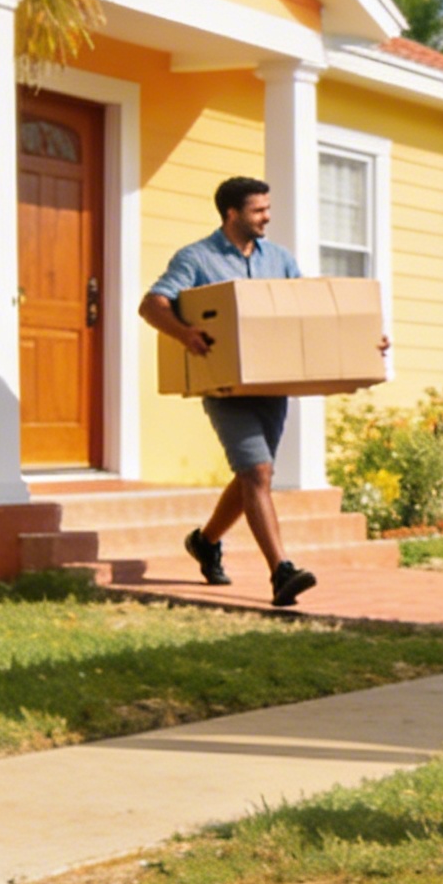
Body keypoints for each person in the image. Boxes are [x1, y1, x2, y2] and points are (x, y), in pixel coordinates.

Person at [140, 175, 321, 608]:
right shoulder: (197, 258)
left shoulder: (279, 258)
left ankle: (205, 542)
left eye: (267, 207)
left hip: (272, 384)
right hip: (224, 386)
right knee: (258, 473)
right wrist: (185, 334)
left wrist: (358, 340)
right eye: (259, 210)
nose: (267, 216)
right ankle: (281, 572)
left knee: (252, 475)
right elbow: (152, 304)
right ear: (232, 214)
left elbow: (308, 311)